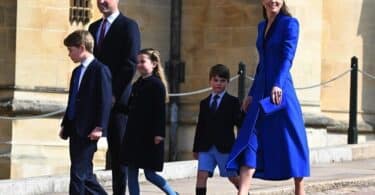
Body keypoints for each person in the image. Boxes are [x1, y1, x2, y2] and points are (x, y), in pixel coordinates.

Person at [226, 0, 310, 195]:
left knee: (292, 138)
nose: (273, 1)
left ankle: (299, 188)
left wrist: (278, 84)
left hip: (281, 91)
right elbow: (261, 64)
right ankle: (243, 192)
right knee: (250, 140)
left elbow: (287, 57)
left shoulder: (290, 23)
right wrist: (251, 93)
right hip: (261, 92)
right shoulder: (261, 26)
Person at [88, 0, 141, 194]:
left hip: (118, 103)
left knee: (119, 154)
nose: (101, 1)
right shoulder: (93, 27)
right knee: (86, 152)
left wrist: (112, 94)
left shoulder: (129, 26)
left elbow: (129, 64)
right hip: (95, 101)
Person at [59, 30, 112, 195]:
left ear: (81, 48)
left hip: (89, 129)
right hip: (75, 128)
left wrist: (99, 127)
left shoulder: (100, 70)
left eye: (71, 50)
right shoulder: (76, 72)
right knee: (85, 175)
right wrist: (65, 125)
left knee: (77, 173)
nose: (69, 54)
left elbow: (105, 101)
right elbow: (73, 100)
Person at [121, 48, 179, 195]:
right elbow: (130, 107)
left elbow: (159, 111)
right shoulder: (137, 84)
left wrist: (159, 134)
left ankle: (172, 194)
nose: (139, 65)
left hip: (150, 136)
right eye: (138, 62)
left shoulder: (157, 85)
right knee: (131, 170)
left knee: (150, 174)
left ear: (153, 64)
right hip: (134, 134)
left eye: (143, 61)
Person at [192, 64, 242, 195]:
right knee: (201, 176)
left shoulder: (233, 102)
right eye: (215, 80)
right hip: (206, 147)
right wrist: (196, 148)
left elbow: (240, 124)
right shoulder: (204, 103)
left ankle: (244, 191)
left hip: (225, 147)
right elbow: (200, 127)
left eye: (222, 81)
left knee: (233, 177)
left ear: (227, 82)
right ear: (210, 81)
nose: (218, 84)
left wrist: (240, 147)